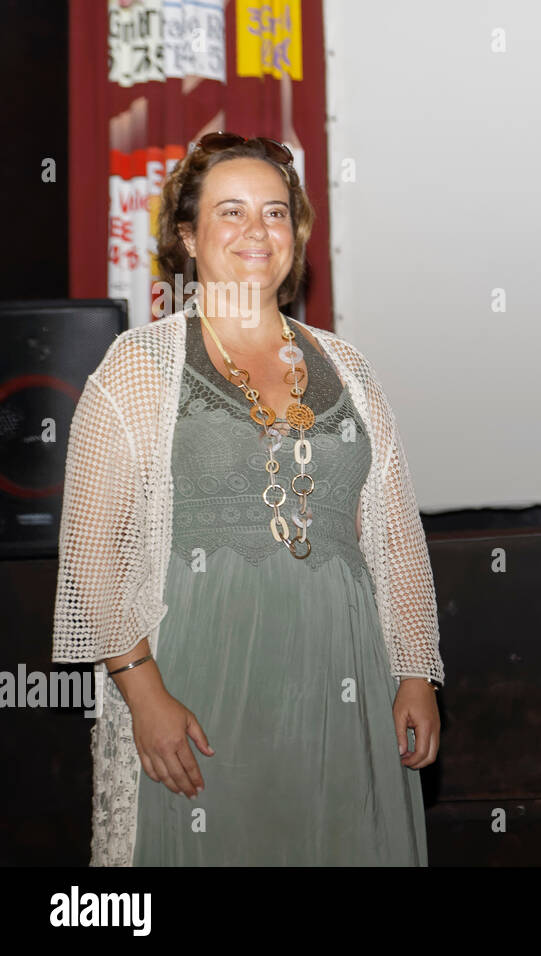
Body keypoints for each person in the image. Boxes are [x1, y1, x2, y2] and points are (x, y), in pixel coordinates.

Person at [51, 132, 443, 865]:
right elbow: (91, 548)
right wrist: (144, 695)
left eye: (274, 212)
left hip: (345, 682)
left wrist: (416, 672)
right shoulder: (139, 367)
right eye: (229, 213)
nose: (256, 232)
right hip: (200, 683)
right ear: (187, 236)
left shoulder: (348, 367)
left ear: (295, 234)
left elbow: (393, 536)